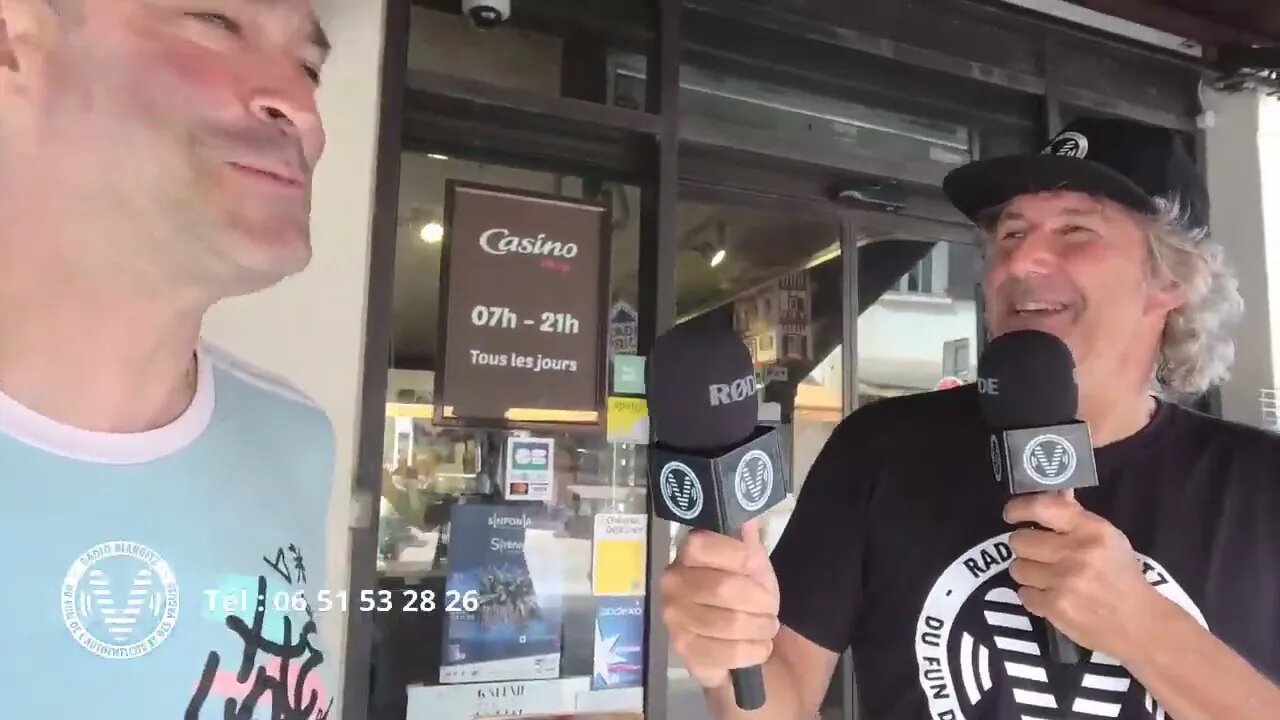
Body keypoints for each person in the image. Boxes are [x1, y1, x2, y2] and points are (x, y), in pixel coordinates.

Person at [660, 115, 1280, 719]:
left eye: (1074, 232)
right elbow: (780, 701)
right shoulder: (881, 450)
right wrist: (725, 651)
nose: (1020, 261)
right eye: (1009, 235)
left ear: (1171, 277)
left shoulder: (1260, 486)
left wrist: (1142, 625)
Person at [0, 0, 337, 717]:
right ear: (12, 45)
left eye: (309, 66)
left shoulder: (293, 438)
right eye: (215, 23)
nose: (302, 107)